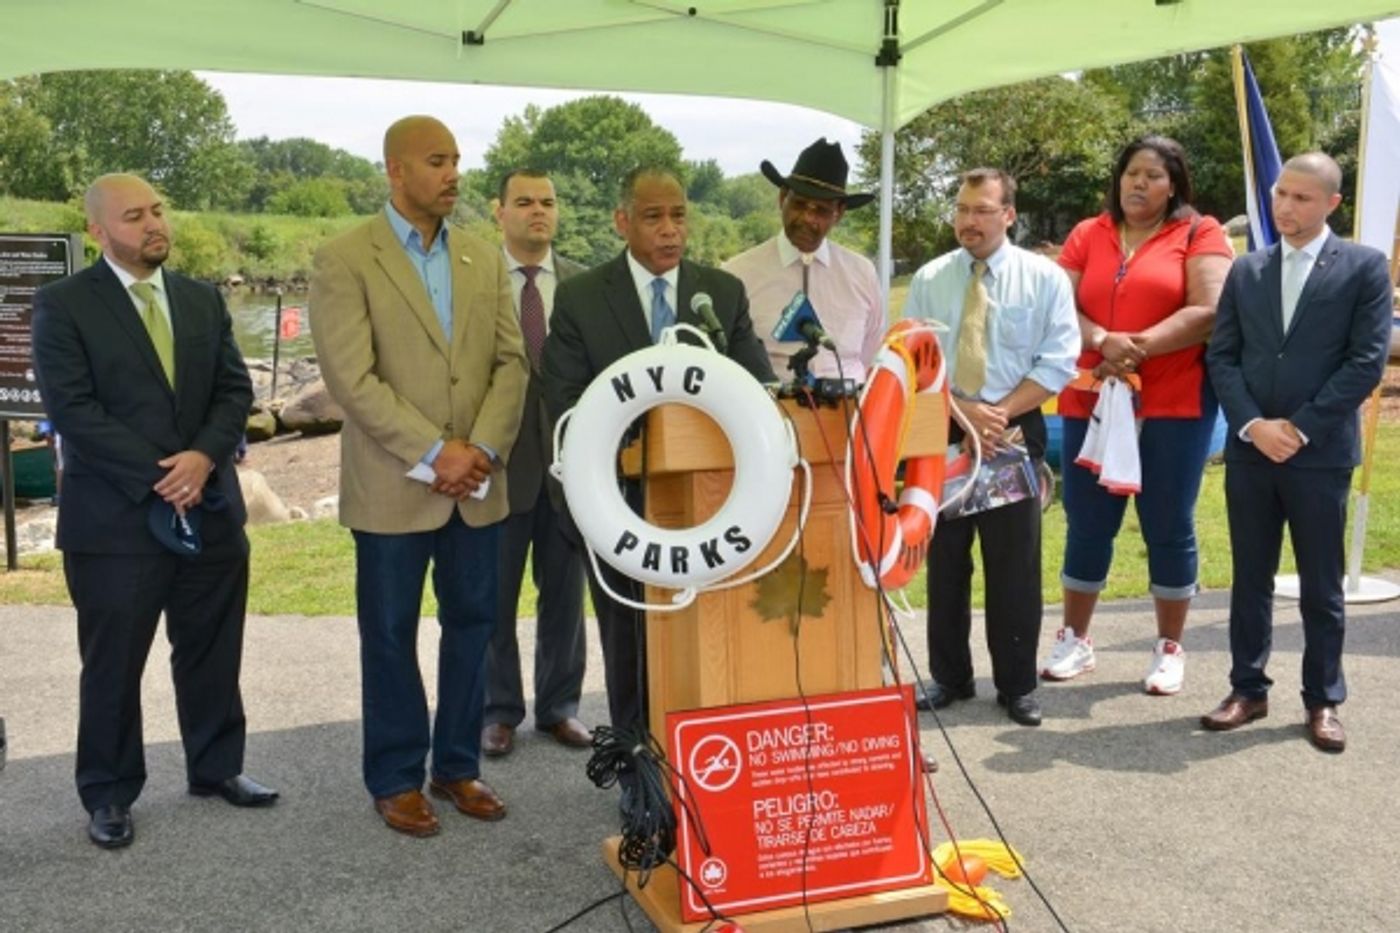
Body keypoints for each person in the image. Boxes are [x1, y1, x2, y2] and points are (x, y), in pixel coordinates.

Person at [31, 173, 275, 850]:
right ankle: (108, 792)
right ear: (97, 231)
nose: (152, 224)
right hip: (114, 522)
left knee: (212, 647)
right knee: (112, 664)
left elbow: (235, 389)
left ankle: (217, 766)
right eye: (134, 215)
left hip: (213, 507)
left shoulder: (200, 300)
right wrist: (164, 475)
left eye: (158, 210)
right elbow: (73, 410)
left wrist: (202, 458)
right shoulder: (62, 305)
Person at [309, 116, 528, 837]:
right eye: (438, 161)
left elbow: (510, 364)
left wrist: (484, 451)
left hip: (476, 486)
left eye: (458, 160)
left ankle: (457, 765)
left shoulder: (482, 257)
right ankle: (396, 776)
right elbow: (352, 378)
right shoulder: (345, 258)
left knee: (474, 624)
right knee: (390, 633)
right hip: (394, 486)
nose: (454, 173)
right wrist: (438, 451)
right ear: (395, 171)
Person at [541, 166, 774, 742]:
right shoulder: (580, 298)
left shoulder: (719, 293)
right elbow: (565, 402)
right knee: (629, 644)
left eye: (678, 216)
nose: (670, 230)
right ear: (623, 222)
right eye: (653, 217)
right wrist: (645, 443)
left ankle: (708, 769)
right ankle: (638, 775)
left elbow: (760, 391)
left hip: (714, 506)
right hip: (620, 506)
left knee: (712, 635)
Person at [1203, 152, 1391, 752]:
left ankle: (1322, 699)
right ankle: (1247, 689)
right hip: (1254, 453)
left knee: (1321, 585)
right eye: (1281, 194)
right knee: (1250, 578)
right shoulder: (1247, 269)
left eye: (1302, 198)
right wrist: (1255, 425)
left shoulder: (1364, 267)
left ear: (1333, 203)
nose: (1286, 206)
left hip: (1319, 455)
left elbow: (1365, 361)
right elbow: (1222, 357)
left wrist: (1301, 428)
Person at [1040, 135, 1233, 696]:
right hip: (1091, 399)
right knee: (1087, 520)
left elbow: (1211, 310)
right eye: (1130, 173)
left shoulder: (1201, 232)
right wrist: (1102, 338)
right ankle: (1075, 639)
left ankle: (1169, 648)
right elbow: (1062, 304)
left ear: (1174, 184)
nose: (1138, 184)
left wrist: (1136, 345)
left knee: (1169, 522)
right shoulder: (1087, 233)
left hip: (1173, 404)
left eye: (1152, 175)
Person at [903, 168, 1078, 727]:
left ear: (1008, 215)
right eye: (961, 209)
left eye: (981, 210)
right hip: (944, 431)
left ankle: (1017, 685)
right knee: (947, 563)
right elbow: (916, 358)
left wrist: (996, 414)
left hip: (1012, 432)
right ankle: (950, 677)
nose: (968, 221)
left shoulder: (1043, 279)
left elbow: (1059, 362)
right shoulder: (930, 279)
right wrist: (962, 411)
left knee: (1014, 567)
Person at [481, 169, 591, 758]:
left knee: (566, 595)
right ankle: (498, 711)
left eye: (547, 201)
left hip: (571, 468)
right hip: (500, 467)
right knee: (493, 597)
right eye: (523, 202)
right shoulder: (476, 283)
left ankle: (559, 708)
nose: (537, 212)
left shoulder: (582, 285)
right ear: (498, 211)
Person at [722, 138, 884, 382]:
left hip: (849, 413)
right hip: (767, 413)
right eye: (799, 204)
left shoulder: (862, 273)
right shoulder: (737, 275)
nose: (808, 218)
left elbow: (872, 354)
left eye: (821, 210)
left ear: (838, 213)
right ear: (782, 198)